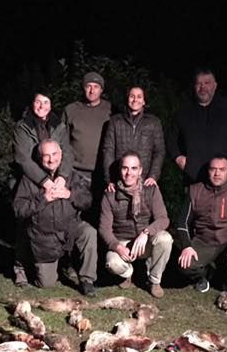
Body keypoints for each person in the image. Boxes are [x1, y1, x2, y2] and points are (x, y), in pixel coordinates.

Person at [13, 139, 98, 297]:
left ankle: (87, 279)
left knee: (89, 232)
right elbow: (19, 210)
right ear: (39, 158)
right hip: (44, 236)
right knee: (46, 284)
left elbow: (87, 201)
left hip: (69, 229)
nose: (51, 159)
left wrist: (69, 194)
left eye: (55, 154)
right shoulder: (29, 179)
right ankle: (27, 264)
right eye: (46, 156)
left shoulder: (71, 175)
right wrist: (43, 198)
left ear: (61, 155)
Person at [11, 92, 74, 287]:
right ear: (32, 103)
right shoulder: (22, 127)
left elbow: (67, 152)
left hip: (55, 178)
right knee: (25, 223)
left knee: (54, 220)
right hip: (28, 179)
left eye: (46, 102)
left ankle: (60, 262)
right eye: (38, 101)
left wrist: (62, 177)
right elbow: (23, 159)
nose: (42, 105)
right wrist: (44, 181)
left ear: (51, 104)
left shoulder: (59, 125)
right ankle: (20, 267)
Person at [175, 155, 227, 294]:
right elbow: (182, 222)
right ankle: (205, 276)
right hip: (204, 240)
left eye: (222, 169)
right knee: (184, 264)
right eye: (213, 169)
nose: (217, 173)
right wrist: (187, 246)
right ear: (208, 171)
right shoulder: (195, 190)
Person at [99, 152, 172, 298]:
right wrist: (118, 247)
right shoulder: (110, 194)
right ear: (120, 170)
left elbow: (164, 219)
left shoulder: (151, 190)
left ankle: (154, 281)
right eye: (125, 168)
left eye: (133, 168)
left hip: (144, 240)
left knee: (165, 239)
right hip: (123, 242)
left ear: (140, 171)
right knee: (112, 263)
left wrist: (146, 233)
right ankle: (128, 274)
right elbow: (104, 229)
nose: (129, 173)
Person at [167, 68, 227, 185]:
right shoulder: (183, 113)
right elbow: (171, 139)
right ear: (194, 86)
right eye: (199, 84)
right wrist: (177, 157)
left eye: (207, 83)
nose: (203, 88)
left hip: (226, 180)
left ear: (215, 86)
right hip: (194, 179)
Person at [100, 85, 165, 193]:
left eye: (139, 96)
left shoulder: (153, 123)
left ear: (144, 101)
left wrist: (153, 176)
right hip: (119, 181)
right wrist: (109, 179)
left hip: (144, 182)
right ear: (127, 99)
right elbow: (108, 150)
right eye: (132, 96)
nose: (135, 100)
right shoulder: (115, 122)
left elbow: (159, 151)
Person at [64, 71, 113, 190]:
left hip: (102, 172)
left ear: (101, 90)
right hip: (76, 172)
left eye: (96, 87)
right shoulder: (71, 110)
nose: (92, 90)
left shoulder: (111, 110)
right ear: (83, 88)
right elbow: (63, 141)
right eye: (88, 86)